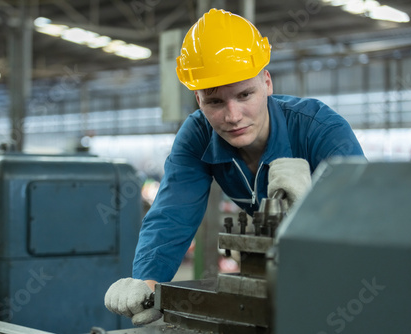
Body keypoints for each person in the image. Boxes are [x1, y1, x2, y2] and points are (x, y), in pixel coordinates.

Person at [104, 8, 365, 326]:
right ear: (198, 101)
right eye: (215, 102)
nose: (233, 115)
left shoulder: (320, 129)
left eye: (245, 94)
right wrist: (148, 282)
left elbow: (363, 220)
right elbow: (173, 213)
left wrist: (313, 208)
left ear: (267, 82)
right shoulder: (196, 137)